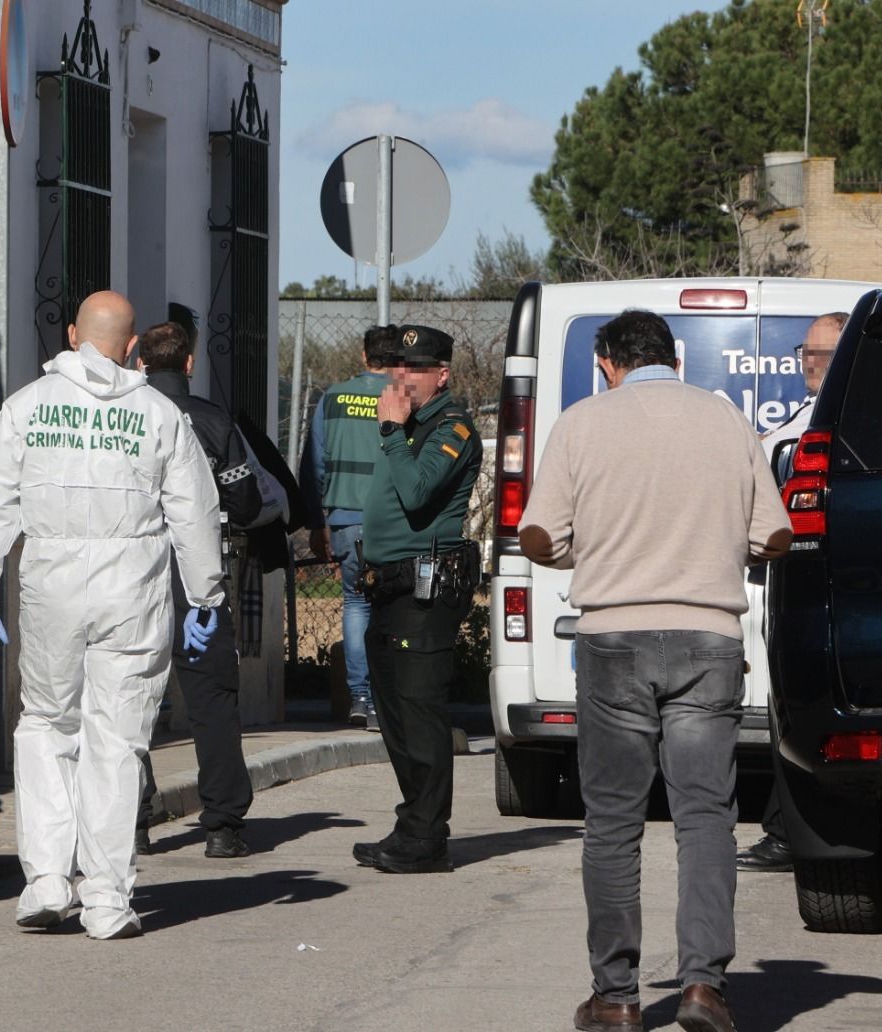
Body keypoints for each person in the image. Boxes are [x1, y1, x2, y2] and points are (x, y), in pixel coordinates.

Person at [517, 309, 791, 1032]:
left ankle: (616, 997)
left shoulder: (582, 423)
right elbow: (775, 533)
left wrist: (593, 552)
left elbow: (540, 534)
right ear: (673, 360)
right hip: (708, 639)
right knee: (705, 817)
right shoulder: (729, 422)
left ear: (608, 362)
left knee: (613, 821)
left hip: (613, 641)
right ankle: (704, 987)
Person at [0, 291, 225, 940]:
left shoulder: (27, 408)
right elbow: (195, 512)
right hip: (133, 594)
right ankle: (106, 899)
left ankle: (47, 879)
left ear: (73, 333)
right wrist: (206, 595)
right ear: (132, 346)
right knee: (116, 742)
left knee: (46, 724)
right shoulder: (160, 415)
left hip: (51, 589)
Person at [349, 325, 483, 876]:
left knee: (420, 709)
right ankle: (412, 824)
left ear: (442, 375)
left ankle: (428, 837)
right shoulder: (411, 427)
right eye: (396, 367)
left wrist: (389, 431)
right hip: (390, 585)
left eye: (415, 369)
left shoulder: (450, 429)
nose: (400, 377)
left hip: (427, 588)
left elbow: (418, 492)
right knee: (393, 709)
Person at [133, 320, 264, 860]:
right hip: (197, 577)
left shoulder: (125, 416)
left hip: (133, 575)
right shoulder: (212, 420)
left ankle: (133, 821)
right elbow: (248, 502)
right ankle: (222, 826)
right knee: (212, 699)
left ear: (140, 362)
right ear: (188, 363)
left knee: (129, 697)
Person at [739, 310, 848, 873]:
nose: (809, 362)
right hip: (773, 576)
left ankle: (787, 831)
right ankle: (783, 826)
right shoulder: (808, 412)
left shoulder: (834, 418)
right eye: (805, 352)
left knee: (790, 708)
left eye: (821, 353)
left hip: (804, 580)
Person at [299, 325, 404, 729]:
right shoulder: (401, 398)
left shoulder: (333, 398)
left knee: (357, 604)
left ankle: (360, 698)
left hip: (344, 519)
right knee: (391, 607)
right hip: (392, 522)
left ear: (364, 356)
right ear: (398, 360)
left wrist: (316, 522)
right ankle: (385, 699)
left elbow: (316, 464)